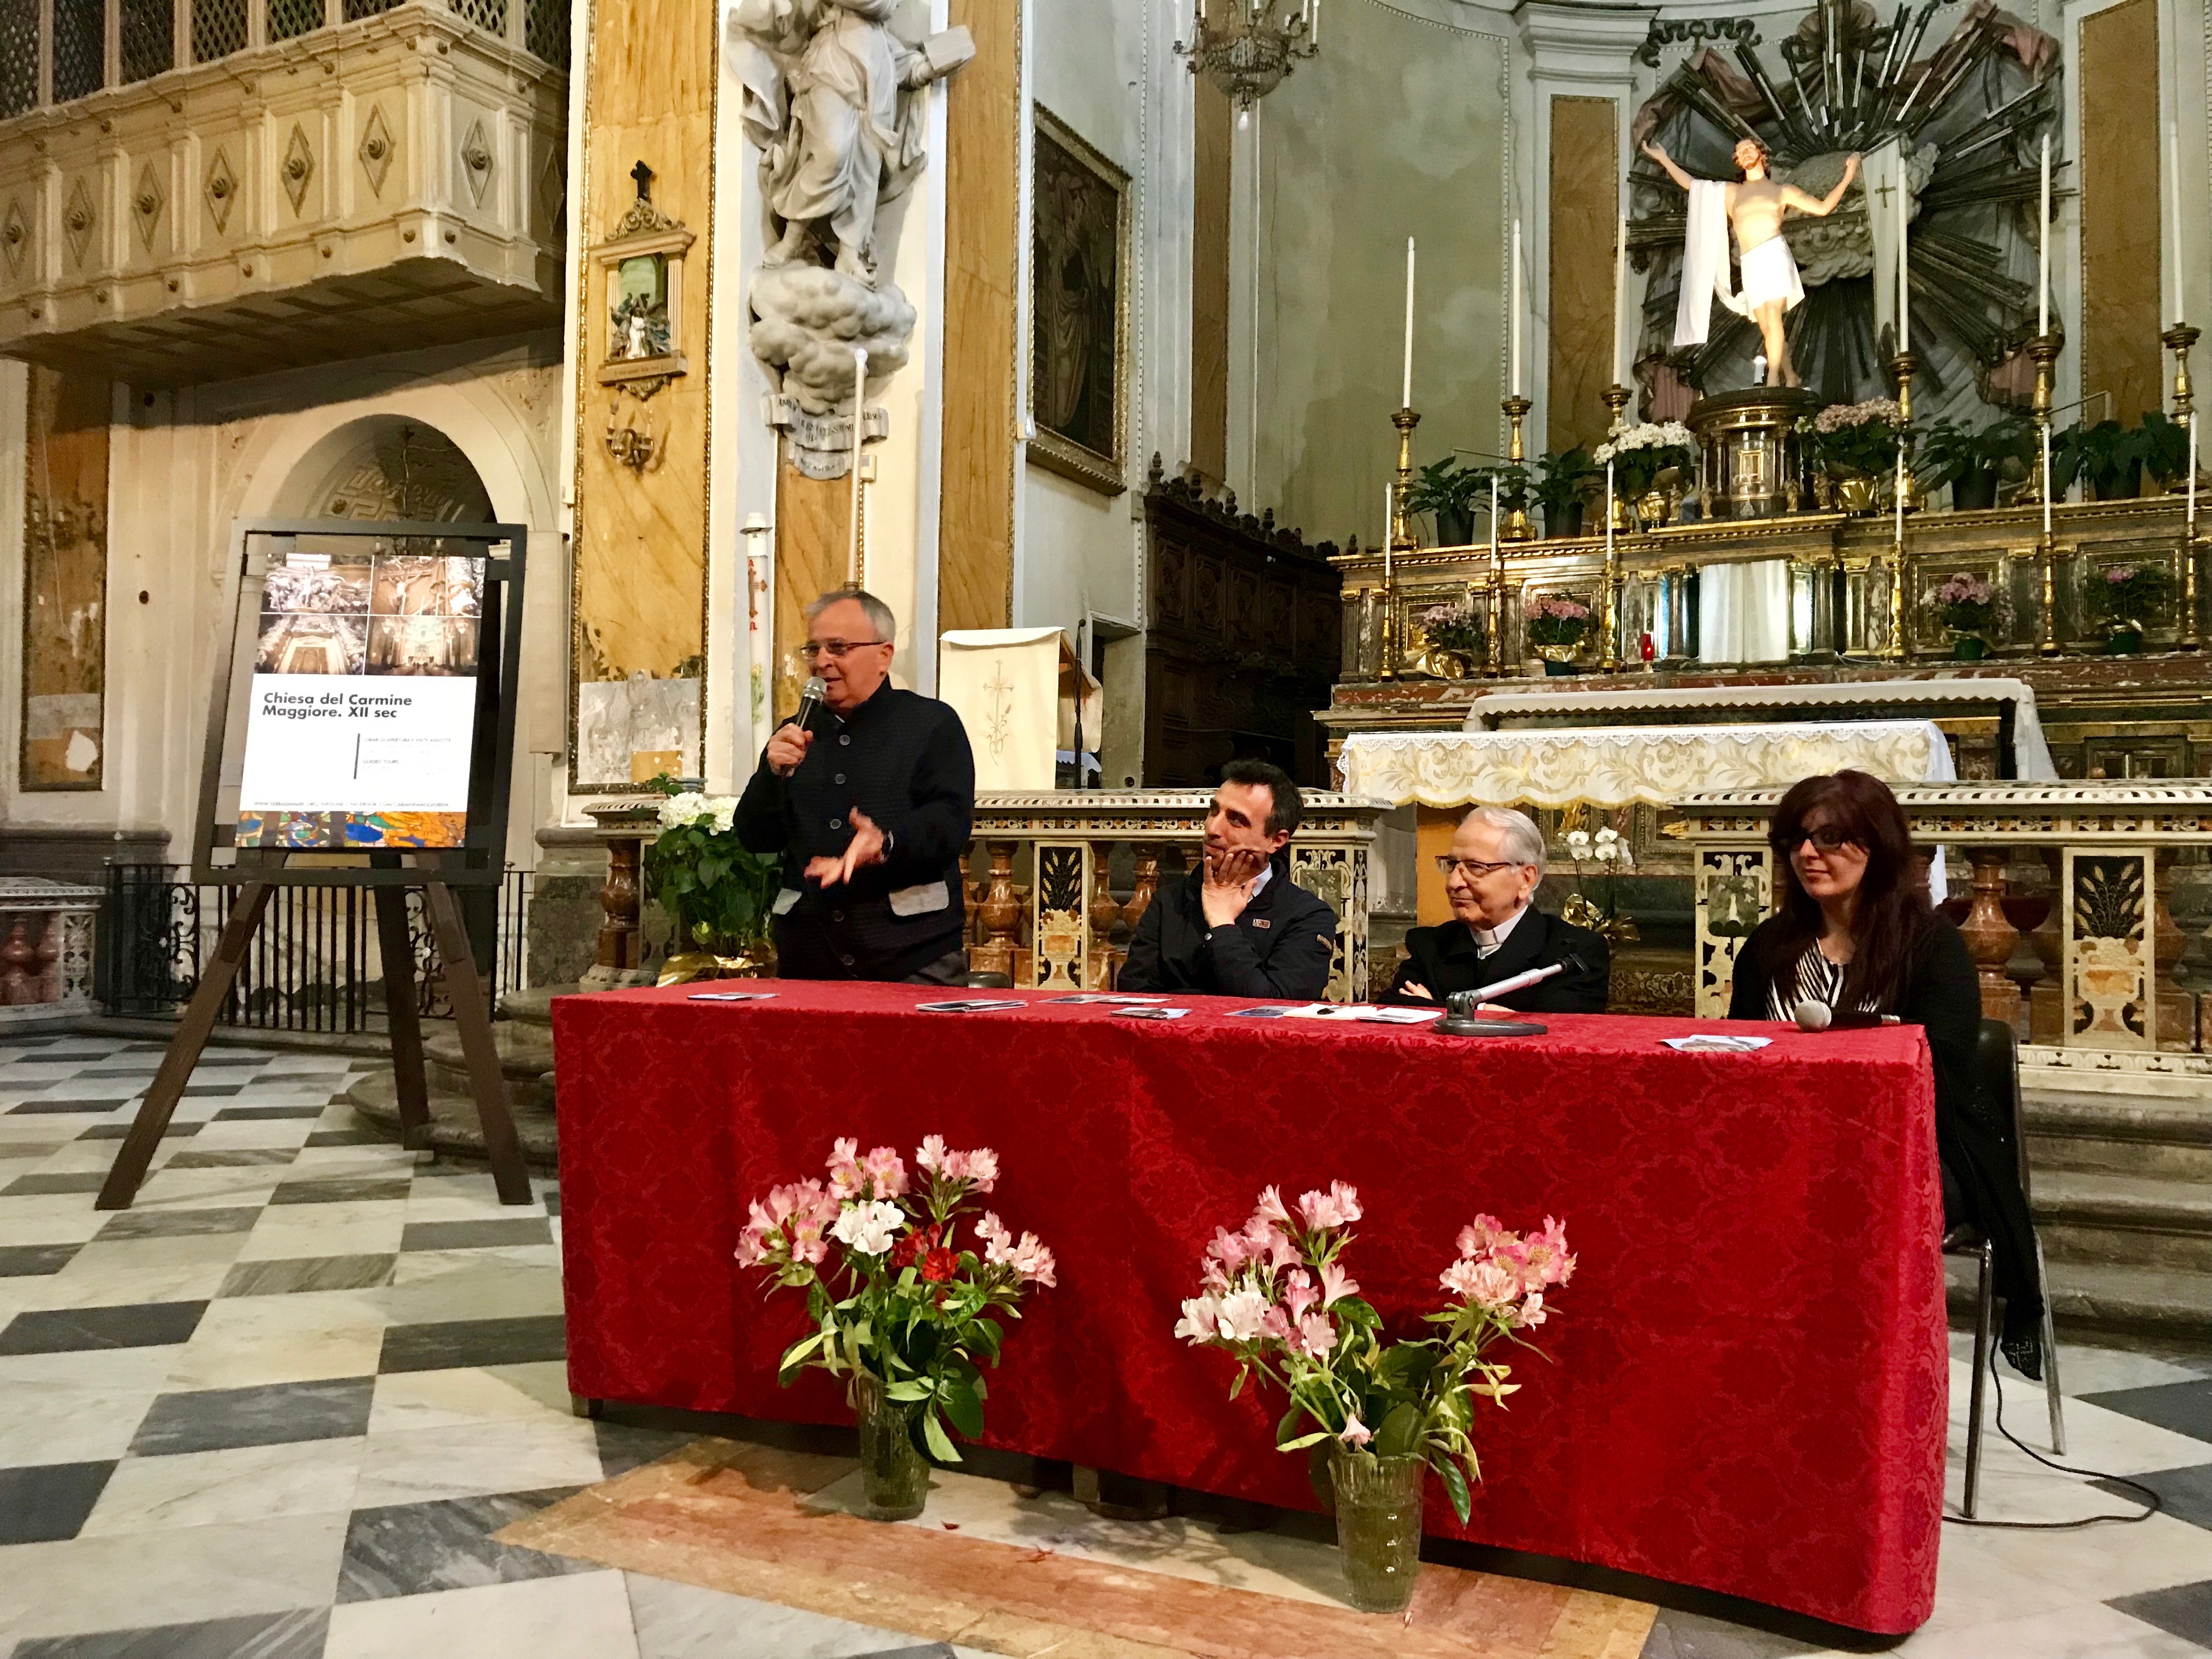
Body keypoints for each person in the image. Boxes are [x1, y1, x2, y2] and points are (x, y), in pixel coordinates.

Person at [1726, 769, 2046, 1378]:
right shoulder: (1769, 946)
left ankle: (1862, 1381)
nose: (1808, 853)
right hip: (1785, 1147)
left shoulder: (1931, 945)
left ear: (1878, 845)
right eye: (1796, 839)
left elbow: (1938, 1067)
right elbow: (1741, 1052)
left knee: (1847, 1209)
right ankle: (1754, 1370)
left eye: (1829, 838)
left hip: (1914, 1150)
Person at [736, 588, 975, 983]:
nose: (821, 661)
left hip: (911, 956)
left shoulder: (930, 724)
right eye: (813, 650)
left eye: (838, 648)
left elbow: (949, 822)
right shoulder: (794, 734)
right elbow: (755, 836)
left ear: (884, 655)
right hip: (809, 957)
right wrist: (771, 775)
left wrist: (886, 844)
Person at [1644, 136, 1860, 387]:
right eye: (1740, 152)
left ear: (1761, 153)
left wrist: (1849, 174)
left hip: (1774, 254)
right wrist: (1664, 159)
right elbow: (1692, 185)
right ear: (1738, 160)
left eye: (1749, 148)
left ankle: (1772, 379)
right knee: (1768, 328)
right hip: (1751, 262)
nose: (1745, 153)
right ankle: (1791, 376)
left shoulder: (1781, 191)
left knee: (1774, 316)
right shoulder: (1732, 192)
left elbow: (1823, 208)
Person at [1116, 760, 1338, 1000]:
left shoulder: (1307, 916)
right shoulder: (1169, 901)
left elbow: (1280, 1005)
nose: (1213, 828)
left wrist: (1222, 925)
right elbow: (1134, 996)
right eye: (1214, 811)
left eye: (1236, 819)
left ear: (1275, 840)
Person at [1388, 808, 1610, 1014]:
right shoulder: (1432, 945)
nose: (1454, 883)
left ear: (1525, 879)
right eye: (1452, 865)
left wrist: (1439, 1008)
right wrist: (1491, 1013)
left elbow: (1561, 1032)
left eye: (1476, 867)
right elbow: (1392, 1011)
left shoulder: (1573, 954)